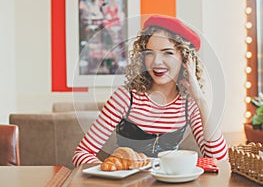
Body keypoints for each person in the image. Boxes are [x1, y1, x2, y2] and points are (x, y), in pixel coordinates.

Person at [72, 15, 228, 167]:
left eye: (167, 52)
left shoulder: (190, 103)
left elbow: (218, 159)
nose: (156, 62)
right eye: (149, 53)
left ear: (186, 59)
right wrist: (111, 171)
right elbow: (82, 153)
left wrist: (201, 99)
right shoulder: (126, 97)